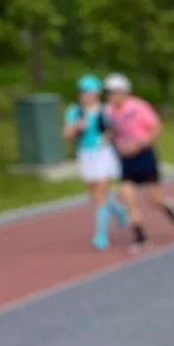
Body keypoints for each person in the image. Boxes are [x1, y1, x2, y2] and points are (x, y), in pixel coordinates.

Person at [103, 73, 174, 252]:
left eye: (114, 92)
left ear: (125, 92)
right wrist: (106, 140)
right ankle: (140, 236)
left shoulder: (138, 107)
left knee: (152, 200)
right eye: (108, 93)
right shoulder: (108, 111)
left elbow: (156, 127)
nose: (111, 96)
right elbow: (111, 131)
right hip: (125, 159)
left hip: (144, 156)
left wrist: (140, 144)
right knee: (126, 195)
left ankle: (167, 206)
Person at [62, 75, 127, 250]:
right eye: (83, 92)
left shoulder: (106, 110)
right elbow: (67, 134)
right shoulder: (74, 111)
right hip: (86, 154)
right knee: (95, 195)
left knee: (100, 193)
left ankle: (101, 234)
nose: (86, 96)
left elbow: (116, 129)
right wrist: (77, 127)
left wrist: (107, 137)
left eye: (89, 92)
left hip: (104, 153)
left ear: (96, 94)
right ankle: (118, 209)